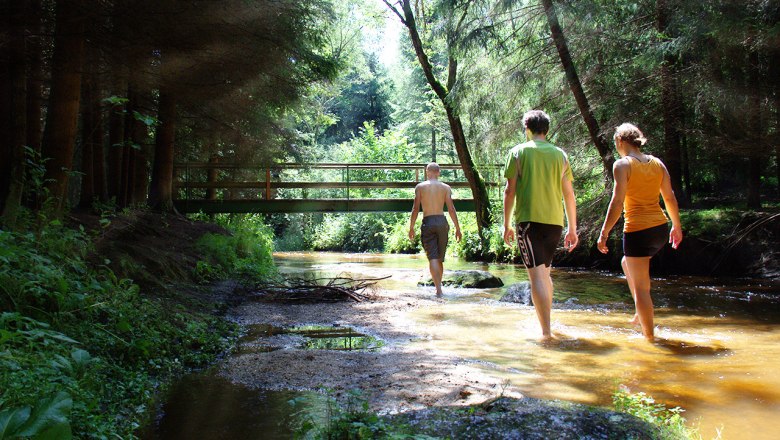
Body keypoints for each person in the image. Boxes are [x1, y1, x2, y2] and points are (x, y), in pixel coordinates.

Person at [597, 123, 683, 341]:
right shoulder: (657, 163)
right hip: (660, 229)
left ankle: (649, 338)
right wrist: (676, 226)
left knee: (643, 289)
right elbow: (670, 198)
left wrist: (604, 232)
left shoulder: (622, 165)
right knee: (626, 263)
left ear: (621, 142)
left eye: (616, 143)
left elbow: (617, 203)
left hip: (637, 231)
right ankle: (639, 310)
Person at [503, 110, 578, 340]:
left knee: (536, 277)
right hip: (555, 222)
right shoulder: (560, 155)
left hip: (529, 222)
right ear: (547, 129)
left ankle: (545, 332)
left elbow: (509, 191)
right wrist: (573, 228)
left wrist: (506, 224)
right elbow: (569, 194)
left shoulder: (517, 152)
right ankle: (547, 324)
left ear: (527, 129)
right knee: (545, 275)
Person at [409, 163, 462, 296]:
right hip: (442, 222)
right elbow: (451, 208)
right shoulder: (446, 188)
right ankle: (439, 287)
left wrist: (411, 227)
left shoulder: (420, 187)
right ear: (438, 173)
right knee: (440, 257)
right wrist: (457, 228)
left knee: (432, 257)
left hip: (428, 221)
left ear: (427, 172)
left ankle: (438, 289)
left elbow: (415, 208)